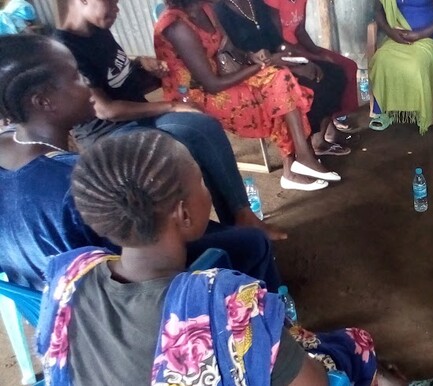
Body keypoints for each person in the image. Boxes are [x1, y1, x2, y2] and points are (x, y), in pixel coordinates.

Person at [36, 130, 382, 385]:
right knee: (353, 344)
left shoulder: (69, 273)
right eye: (201, 182)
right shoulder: (225, 301)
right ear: (183, 214)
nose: (206, 190)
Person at [0, 34, 282, 291]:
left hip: (44, 298)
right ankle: (269, 323)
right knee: (251, 242)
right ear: (44, 101)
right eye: (76, 77)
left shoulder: (9, 143)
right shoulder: (81, 181)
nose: (87, 83)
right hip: (109, 295)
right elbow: (143, 253)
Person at [53, 0, 285, 237]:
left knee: (204, 127)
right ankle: (200, 237)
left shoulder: (97, 31)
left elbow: (119, 80)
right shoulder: (65, 49)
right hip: (109, 134)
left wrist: (145, 68)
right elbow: (106, 110)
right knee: (178, 153)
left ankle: (241, 216)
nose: (117, 9)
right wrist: (171, 106)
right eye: (111, 3)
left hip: (138, 117)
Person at [154, 0, 342, 191]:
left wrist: (253, 57)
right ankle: (297, 162)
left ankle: (298, 160)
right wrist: (260, 66)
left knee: (280, 78)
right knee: (276, 84)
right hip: (195, 96)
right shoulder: (176, 26)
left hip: (222, 74)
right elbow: (211, 85)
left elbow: (231, 49)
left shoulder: (206, 9)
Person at [211, 0, 354, 156]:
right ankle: (307, 146)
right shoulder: (220, 10)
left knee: (333, 72)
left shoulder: (256, 3)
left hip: (277, 59)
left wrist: (303, 60)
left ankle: (320, 138)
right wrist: (291, 65)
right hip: (251, 69)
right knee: (308, 85)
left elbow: (278, 41)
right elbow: (235, 53)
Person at [367, 0, 433, 133]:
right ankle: (384, 110)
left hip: (426, 38)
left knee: (416, 64)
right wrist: (391, 33)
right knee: (381, 60)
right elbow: (378, 12)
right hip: (397, 37)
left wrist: (418, 35)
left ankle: (420, 110)